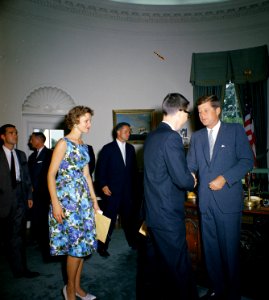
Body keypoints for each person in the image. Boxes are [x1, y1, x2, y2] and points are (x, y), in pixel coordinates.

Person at [187, 95, 254, 300]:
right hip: (205, 202)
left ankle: (233, 293)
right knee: (211, 250)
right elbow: (191, 164)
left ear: (218, 111)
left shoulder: (234, 131)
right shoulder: (197, 137)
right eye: (199, 112)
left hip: (228, 203)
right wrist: (190, 174)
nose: (201, 115)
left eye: (205, 111)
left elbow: (247, 161)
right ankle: (217, 288)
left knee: (229, 252)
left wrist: (225, 178)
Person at [141, 93, 198, 300]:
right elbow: (182, 179)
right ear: (181, 111)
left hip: (152, 214)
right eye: (188, 113)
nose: (187, 117)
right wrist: (191, 179)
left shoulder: (152, 136)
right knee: (178, 268)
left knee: (154, 268)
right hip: (167, 216)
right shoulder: (172, 137)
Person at [47, 106, 100, 300]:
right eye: (86, 120)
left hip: (84, 202)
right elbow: (51, 175)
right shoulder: (63, 143)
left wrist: (94, 201)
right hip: (67, 202)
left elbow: (87, 175)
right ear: (76, 120)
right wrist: (56, 203)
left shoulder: (83, 145)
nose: (89, 124)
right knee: (75, 247)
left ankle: (77, 287)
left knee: (83, 246)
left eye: (90, 120)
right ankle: (69, 290)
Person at [0, 124, 40, 278]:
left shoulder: (21, 154)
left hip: (20, 199)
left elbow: (27, 178)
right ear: (3, 136)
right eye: (11, 133)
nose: (15, 135)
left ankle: (21, 269)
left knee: (18, 236)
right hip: (2, 200)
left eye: (16, 133)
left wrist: (29, 196)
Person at [95, 122, 138, 257]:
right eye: (126, 131)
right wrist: (103, 185)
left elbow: (134, 171)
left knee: (129, 219)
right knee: (108, 220)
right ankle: (102, 246)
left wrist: (135, 189)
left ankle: (133, 242)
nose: (128, 133)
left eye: (129, 131)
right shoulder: (107, 149)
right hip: (111, 191)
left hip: (127, 192)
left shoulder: (131, 149)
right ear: (118, 132)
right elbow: (100, 169)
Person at [28, 132, 53, 262]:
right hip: (35, 197)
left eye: (31, 139)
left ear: (38, 140)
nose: (30, 142)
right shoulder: (32, 156)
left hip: (47, 196)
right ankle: (45, 250)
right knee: (39, 224)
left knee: (46, 225)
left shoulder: (50, 154)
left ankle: (49, 254)